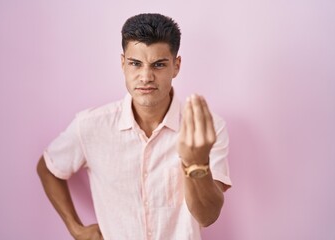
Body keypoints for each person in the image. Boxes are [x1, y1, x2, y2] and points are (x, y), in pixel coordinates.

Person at [37, 13, 232, 240]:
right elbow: (48, 166)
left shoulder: (208, 129)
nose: (146, 76)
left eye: (158, 65)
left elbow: (207, 216)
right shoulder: (90, 126)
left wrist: (196, 163)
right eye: (135, 64)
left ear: (176, 66)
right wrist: (76, 228)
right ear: (123, 64)